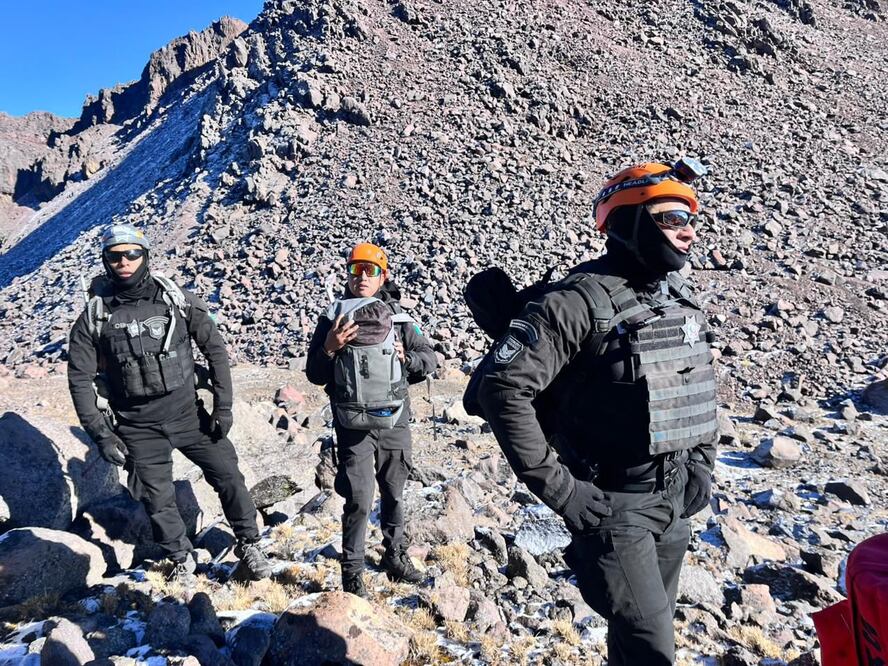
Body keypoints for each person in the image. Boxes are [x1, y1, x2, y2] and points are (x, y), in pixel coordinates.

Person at [474, 159, 719, 665]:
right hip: (613, 509)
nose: (687, 231)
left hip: (671, 504)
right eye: (671, 217)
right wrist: (562, 490)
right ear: (627, 221)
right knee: (654, 650)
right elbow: (503, 390)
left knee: (636, 644)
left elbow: (694, 383)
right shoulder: (575, 302)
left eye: (690, 218)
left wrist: (701, 465)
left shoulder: (675, 299)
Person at [68, 224, 271, 581]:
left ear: (145, 255)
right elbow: (79, 379)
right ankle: (181, 559)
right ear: (105, 261)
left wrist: (223, 407)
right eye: (115, 256)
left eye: (131, 253)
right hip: (137, 427)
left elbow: (215, 349)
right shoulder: (94, 317)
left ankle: (250, 544)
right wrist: (102, 435)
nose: (124, 262)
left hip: (189, 415)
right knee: (157, 498)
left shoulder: (175, 299)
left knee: (228, 476)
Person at [305, 242, 438, 598]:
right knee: (360, 498)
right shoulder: (332, 316)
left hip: (394, 422)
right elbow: (314, 374)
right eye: (355, 270)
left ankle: (395, 555)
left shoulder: (399, 319)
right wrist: (329, 347)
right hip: (352, 425)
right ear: (347, 274)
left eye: (370, 270)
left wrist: (406, 357)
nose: (362, 277)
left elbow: (430, 360)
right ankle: (352, 575)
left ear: (383, 276)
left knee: (394, 492)